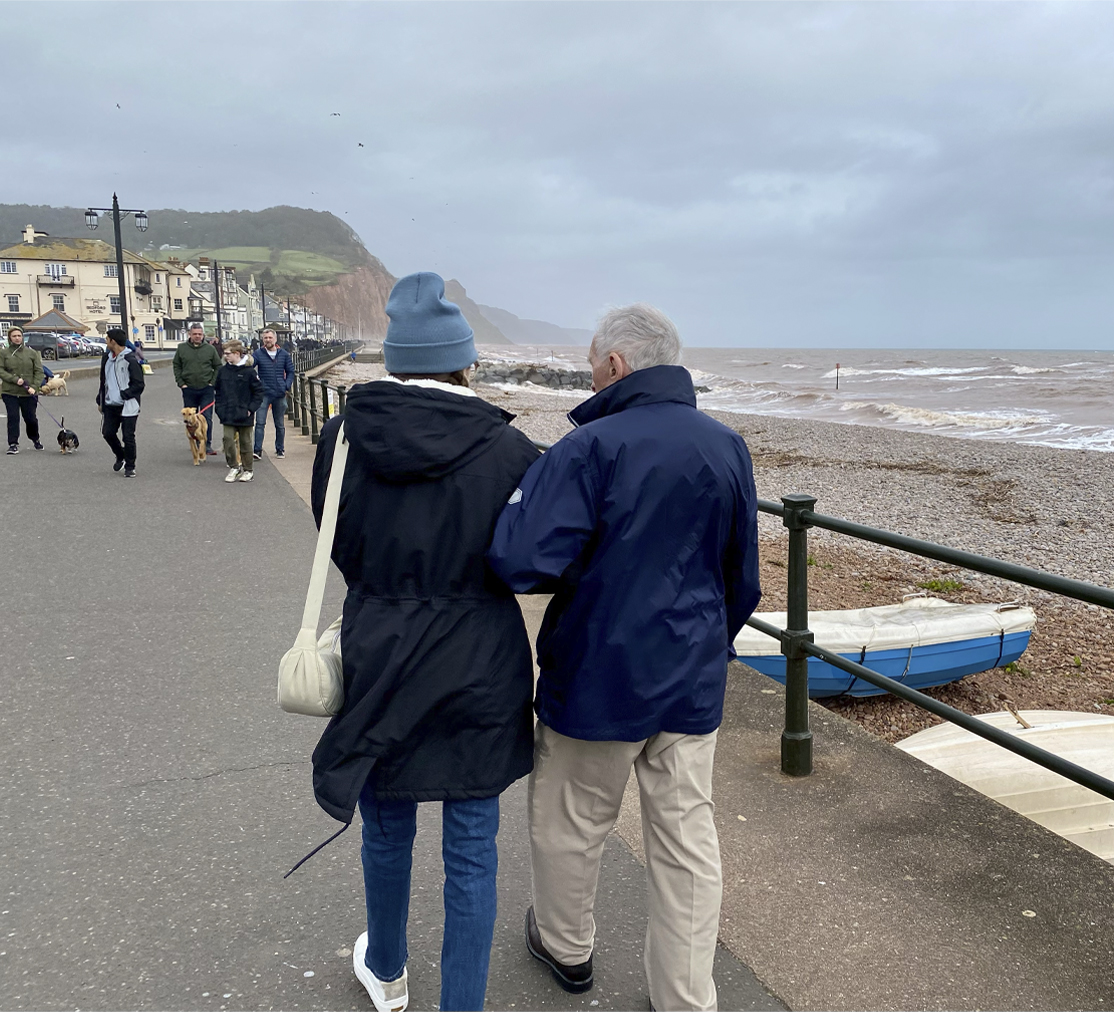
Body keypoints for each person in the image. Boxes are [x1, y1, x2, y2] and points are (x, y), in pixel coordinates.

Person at [487, 304, 762, 1012]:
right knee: (686, 840)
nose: (588, 372)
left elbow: (519, 560)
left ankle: (566, 946)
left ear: (615, 364)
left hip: (597, 668)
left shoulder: (590, 448)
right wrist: (709, 642)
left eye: (589, 361)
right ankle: (684, 996)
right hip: (691, 674)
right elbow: (745, 577)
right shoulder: (726, 445)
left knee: (572, 821)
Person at [306, 272, 539, 1012]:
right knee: (472, 841)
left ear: (395, 359)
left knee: (388, 817)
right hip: (481, 656)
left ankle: (388, 968)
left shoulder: (346, 437)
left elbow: (334, 538)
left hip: (382, 647)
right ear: (465, 359)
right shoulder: (512, 450)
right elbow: (528, 561)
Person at [96, 328, 145, 477]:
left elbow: (139, 384)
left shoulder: (130, 359)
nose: (106, 341)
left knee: (128, 436)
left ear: (113, 341)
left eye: (107, 339)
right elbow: (103, 380)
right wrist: (100, 399)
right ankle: (121, 455)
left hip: (128, 404)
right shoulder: (106, 358)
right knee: (108, 433)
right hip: (111, 404)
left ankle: (130, 466)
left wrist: (125, 395)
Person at [214, 340, 263, 483]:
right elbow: (218, 391)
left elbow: (259, 392)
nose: (225, 356)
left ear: (237, 354)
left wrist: (250, 409)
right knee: (228, 439)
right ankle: (234, 467)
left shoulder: (249, 372)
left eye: (228, 353)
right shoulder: (223, 371)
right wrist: (219, 409)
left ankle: (248, 470)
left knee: (245, 442)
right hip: (227, 412)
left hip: (244, 412)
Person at [173, 323, 221, 456]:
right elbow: (177, 365)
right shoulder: (182, 348)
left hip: (206, 388)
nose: (197, 336)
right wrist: (181, 383)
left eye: (200, 334)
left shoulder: (210, 349)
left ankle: (206, 444)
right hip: (188, 389)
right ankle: (194, 442)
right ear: (190, 334)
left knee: (206, 417)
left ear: (203, 335)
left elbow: (217, 366)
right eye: (195, 334)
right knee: (190, 419)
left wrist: (212, 382)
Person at [0, 326, 45, 453]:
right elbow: (1, 370)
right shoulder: (3, 353)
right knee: (13, 417)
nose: (17, 338)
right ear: (9, 338)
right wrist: (14, 379)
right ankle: (13, 443)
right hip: (10, 392)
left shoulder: (32, 353)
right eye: (14, 336)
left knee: (30, 418)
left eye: (19, 336)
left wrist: (34, 387)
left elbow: (39, 371)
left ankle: (35, 439)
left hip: (28, 392)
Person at [252, 328, 294, 460]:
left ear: (275, 339)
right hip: (264, 393)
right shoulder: (258, 354)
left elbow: (291, 371)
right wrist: (256, 382)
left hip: (280, 393)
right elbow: (249, 367)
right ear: (262, 340)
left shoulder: (284, 354)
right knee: (259, 423)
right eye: (265, 338)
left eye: (270, 337)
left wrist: (286, 386)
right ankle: (257, 450)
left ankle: (280, 449)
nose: (268, 340)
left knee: (279, 424)